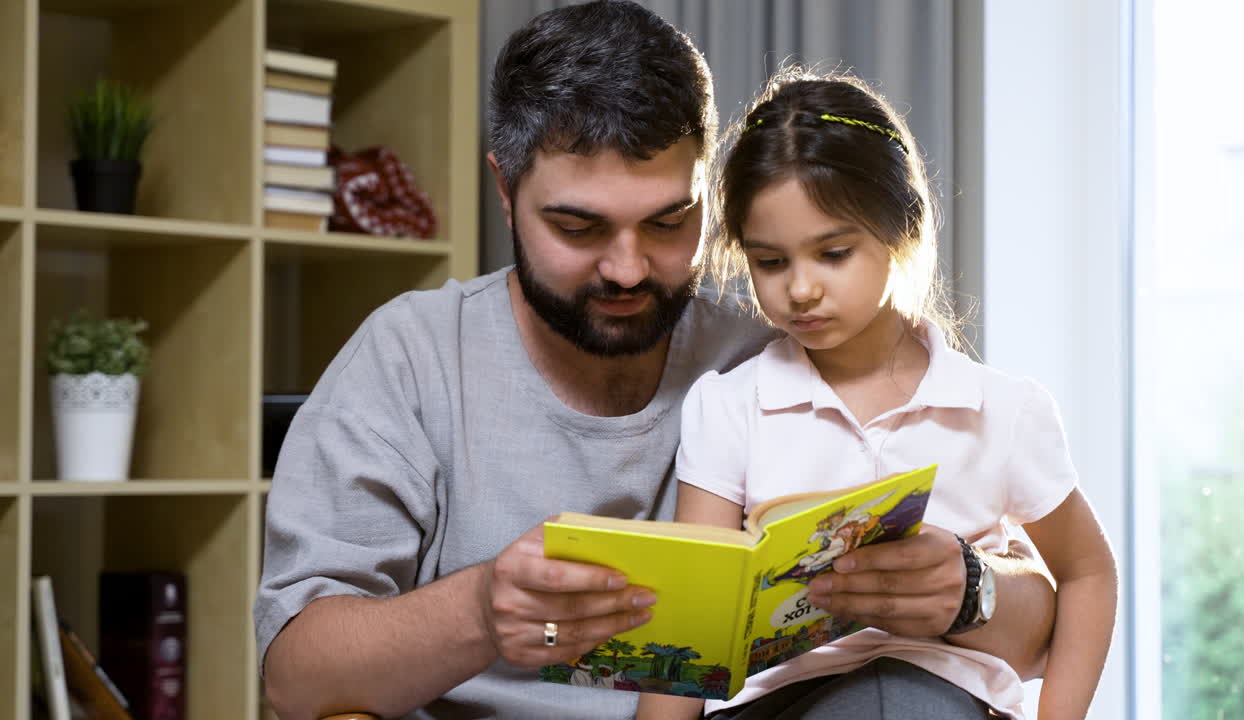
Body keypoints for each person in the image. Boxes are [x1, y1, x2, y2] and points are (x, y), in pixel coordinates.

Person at [254, 3, 1061, 719]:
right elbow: (296, 682)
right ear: (505, 193)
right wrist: (481, 609)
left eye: (673, 221)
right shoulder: (411, 359)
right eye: (578, 228)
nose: (629, 269)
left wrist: (968, 590)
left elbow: (1034, 633)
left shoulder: (781, 355)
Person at [636, 70, 1118, 720]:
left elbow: (1089, 572)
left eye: (833, 253)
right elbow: (690, 625)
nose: (799, 289)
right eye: (770, 263)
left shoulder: (1004, 411)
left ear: (904, 230)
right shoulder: (727, 406)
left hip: (947, 699)